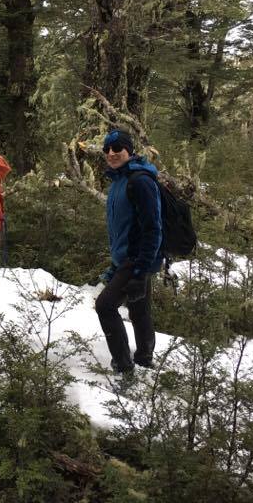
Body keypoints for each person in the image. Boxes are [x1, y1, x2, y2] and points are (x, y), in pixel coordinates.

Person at [95, 128, 163, 374]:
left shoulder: (140, 181)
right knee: (139, 308)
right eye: (107, 149)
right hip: (126, 258)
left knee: (105, 306)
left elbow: (153, 228)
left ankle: (123, 365)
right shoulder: (118, 180)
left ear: (129, 150)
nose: (111, 153)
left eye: (117, 148)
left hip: (137, 259)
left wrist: (141, 271)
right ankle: (144, 358)